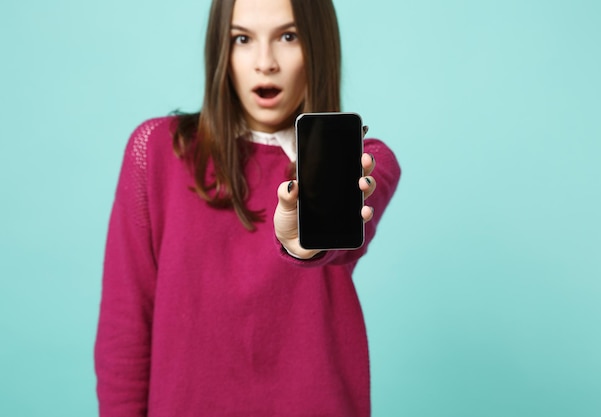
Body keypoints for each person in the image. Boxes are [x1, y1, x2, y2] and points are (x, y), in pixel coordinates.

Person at [94, 0, 401, 415]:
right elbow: (124, 328)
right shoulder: (158, 152)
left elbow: (341, 245)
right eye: (242, 39)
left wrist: (301, 243)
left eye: (288, 37)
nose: (265, 62)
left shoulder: (364, 162)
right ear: (221, 49)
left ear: (318, 45)